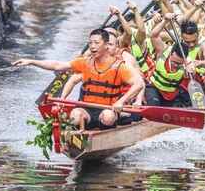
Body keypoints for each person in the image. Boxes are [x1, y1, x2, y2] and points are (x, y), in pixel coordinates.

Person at [13, 29, 144, 129]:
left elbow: (138, 84)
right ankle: (80, 133)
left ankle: (106, 129)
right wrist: (31, 61)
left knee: (108, 117)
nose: (92, 46)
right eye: (90, 43)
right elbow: (57, 65)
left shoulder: (119, 65)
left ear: (106, 45)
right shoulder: (84, 62)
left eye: (96, 43)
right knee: (74, 116)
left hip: (107, 109)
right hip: (86, 108)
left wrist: (121, 102)